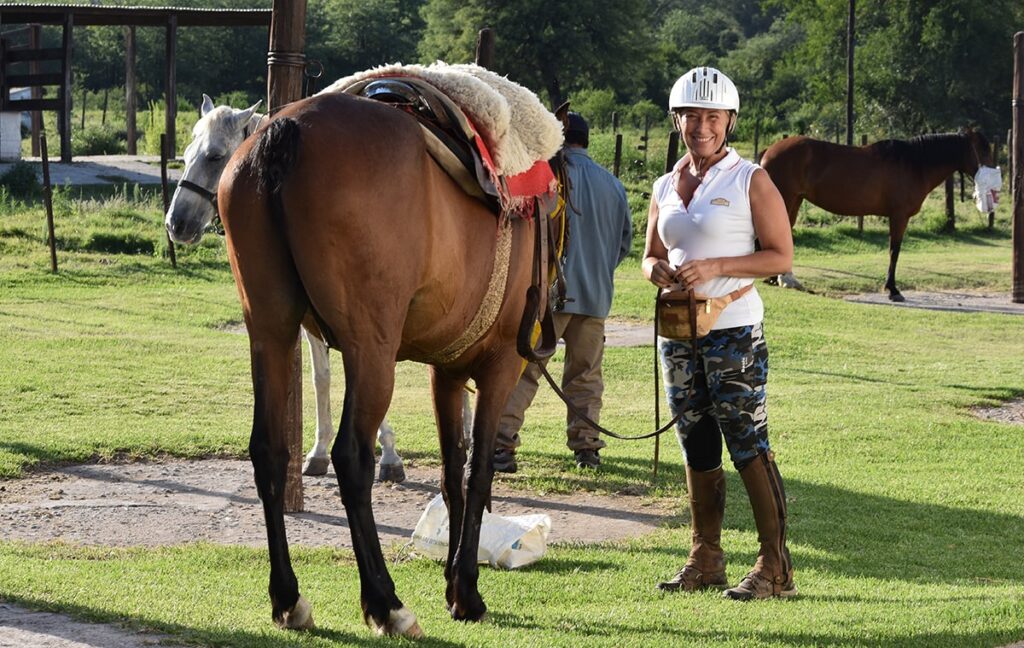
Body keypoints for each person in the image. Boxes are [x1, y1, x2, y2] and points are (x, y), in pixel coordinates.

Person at [642, 66, 796, 600]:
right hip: (678, 333)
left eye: (711, 116)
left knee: (747, 443)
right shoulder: (664, 184)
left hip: (734, 331)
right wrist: (654, 272)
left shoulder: (749, 178)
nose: (700, 125)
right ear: (676, 119)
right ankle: (705, 558)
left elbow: (781, 255)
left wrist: (714, 267)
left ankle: (775, 566)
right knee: (696, 442)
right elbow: (651, 255)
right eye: (690, 115)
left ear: (729, 120)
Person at [494, 111, 633, 472]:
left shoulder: (546, 178)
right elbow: (622, 245)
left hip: (548, 294)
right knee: (586, 376)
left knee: (526, 370)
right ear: (586, 141)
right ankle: (587, 449)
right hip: (596, 297)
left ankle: (501, 444)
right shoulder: (613, 185)